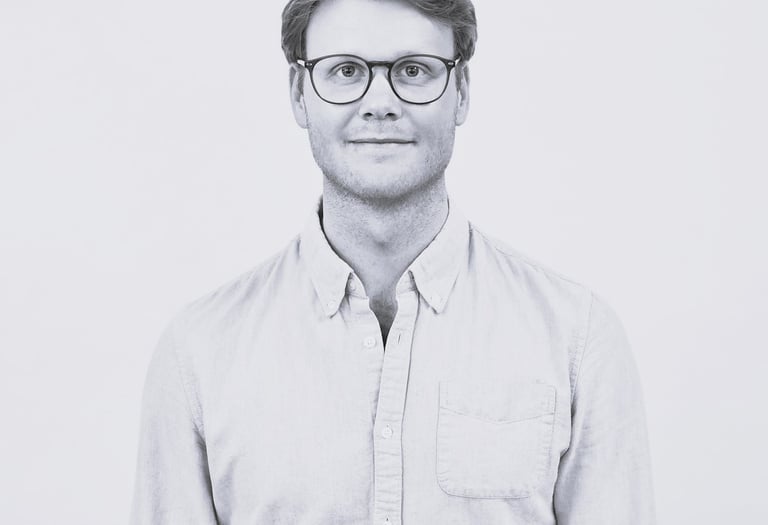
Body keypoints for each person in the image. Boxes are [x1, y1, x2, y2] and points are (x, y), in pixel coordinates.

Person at [130, 0, 655, 523]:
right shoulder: (200, 354)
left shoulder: (576, 339)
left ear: (461, 90)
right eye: (345, 70)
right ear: (299, 94)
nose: (379, 103)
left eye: (413, 70)